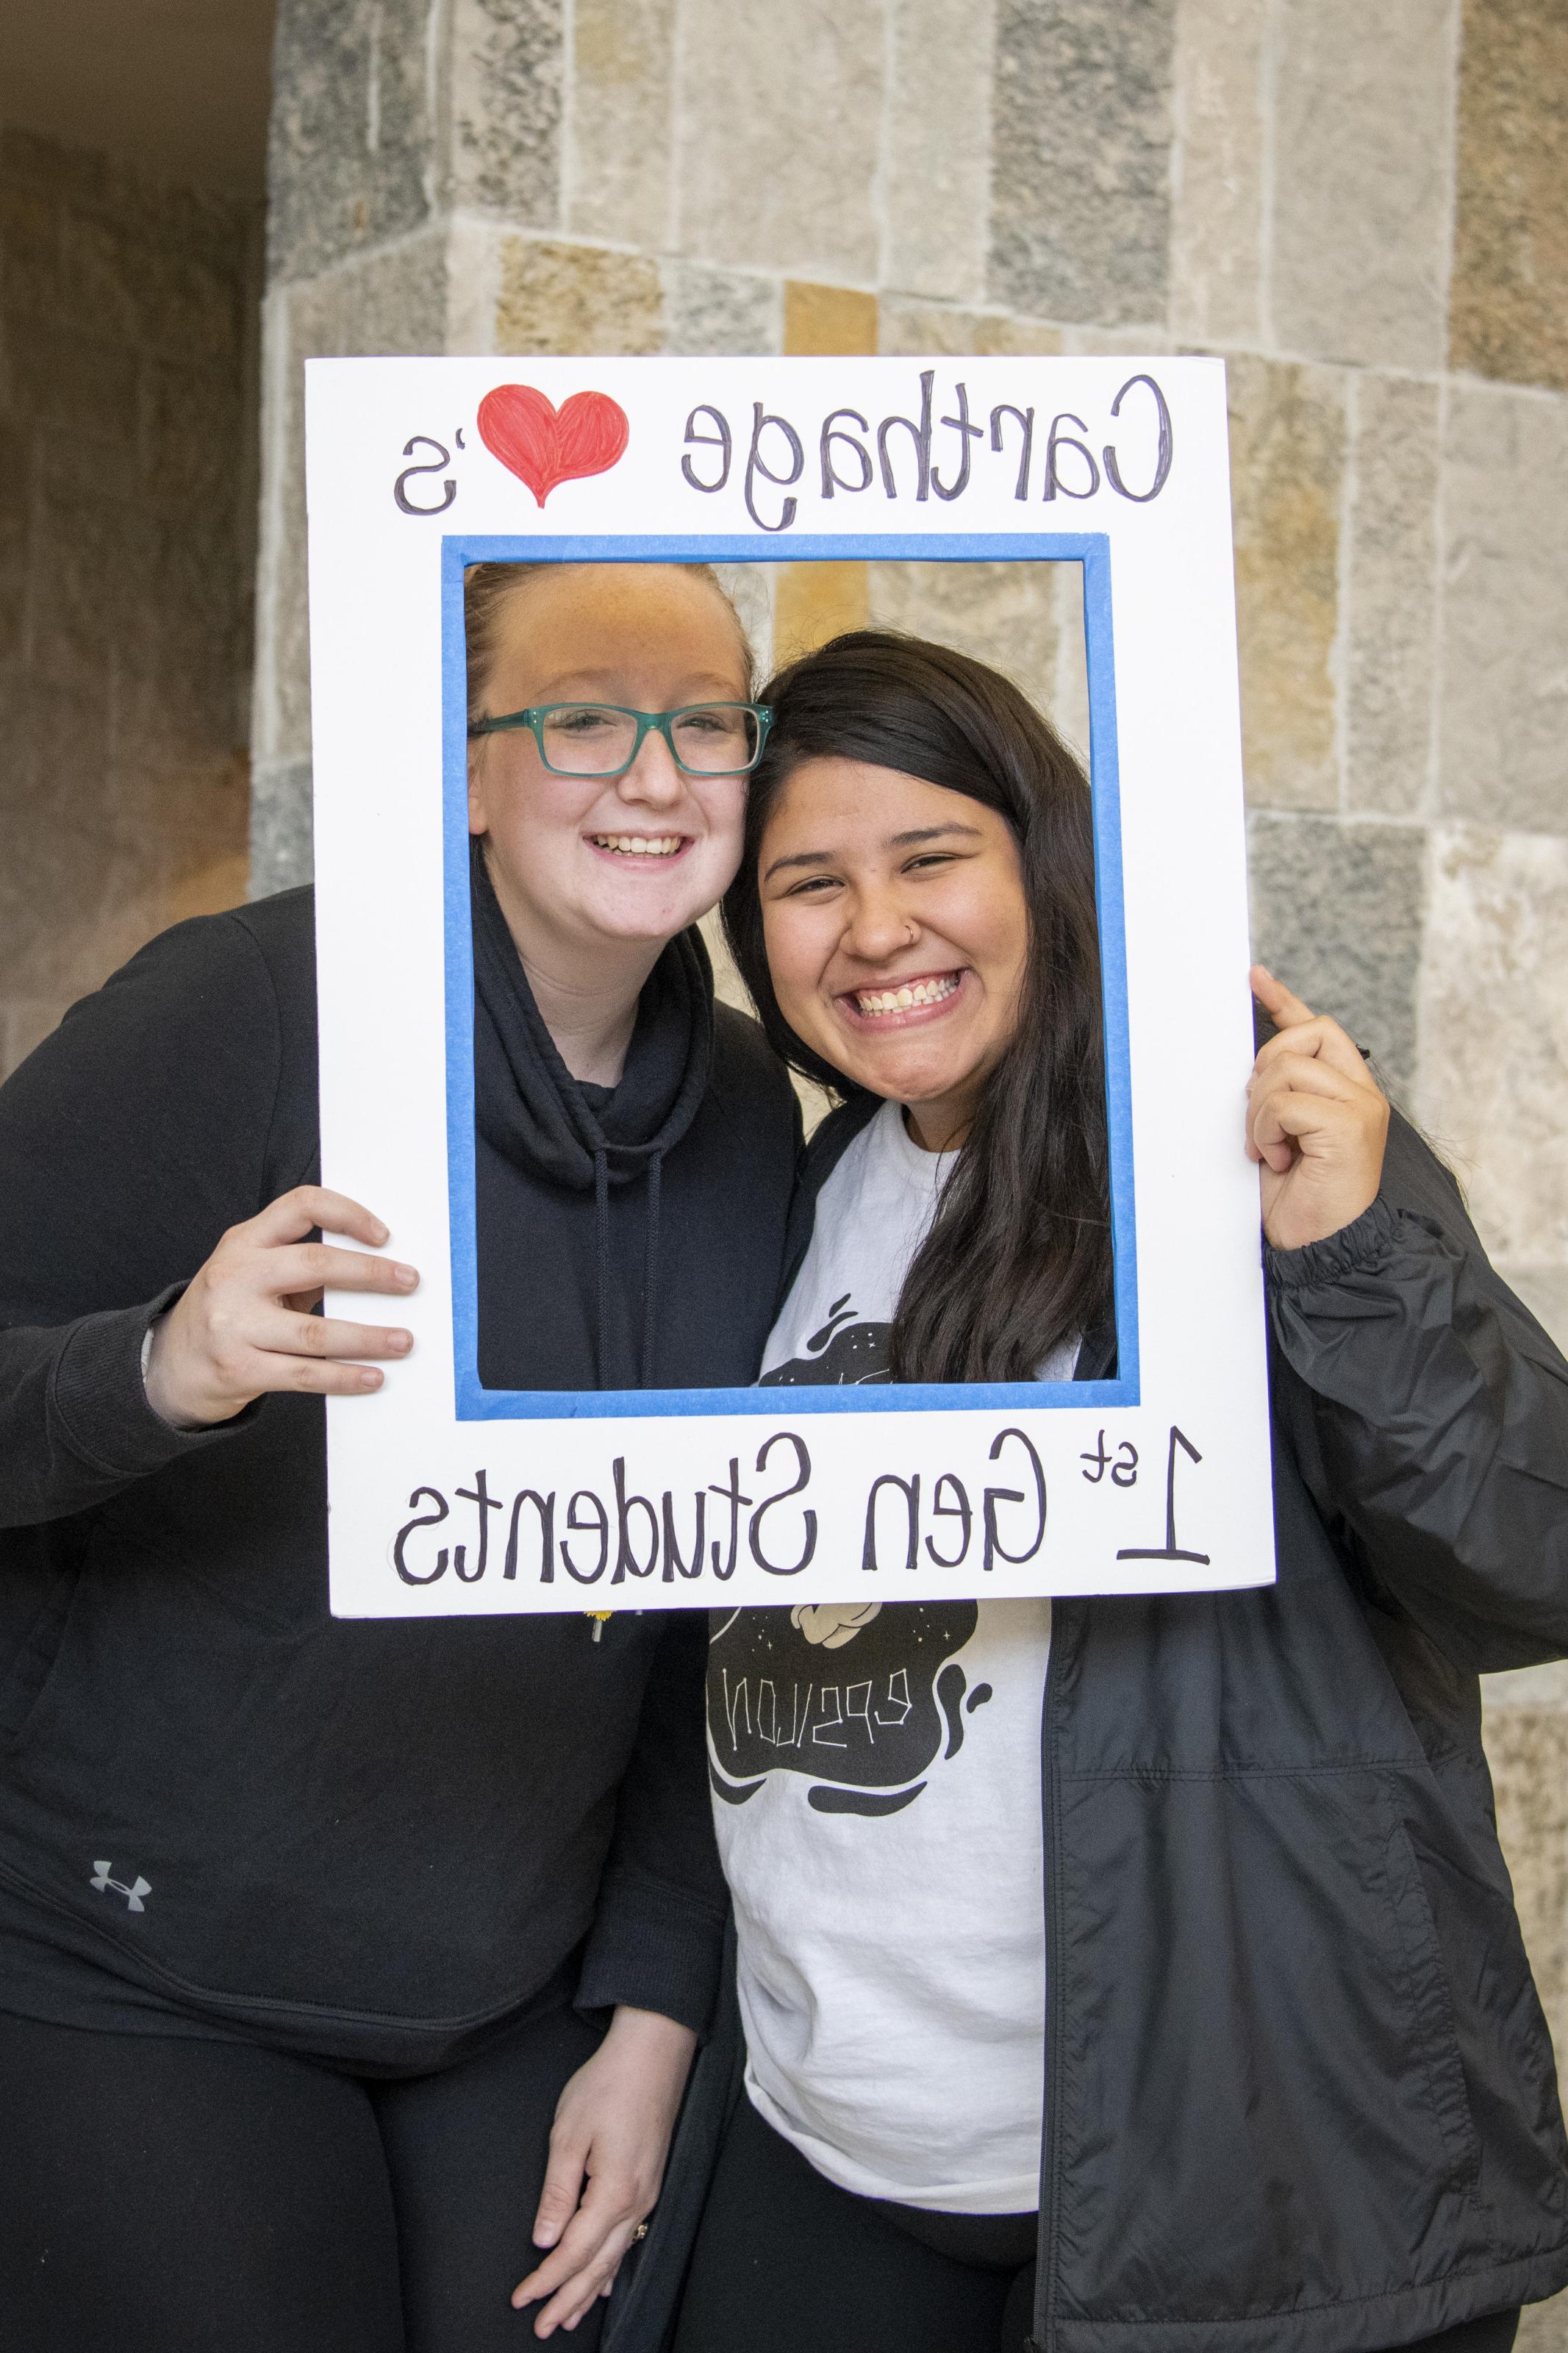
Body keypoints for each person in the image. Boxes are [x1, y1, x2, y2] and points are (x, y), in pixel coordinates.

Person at [670, 630, 1568, 2353]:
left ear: (1045, 865)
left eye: (929, 858)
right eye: (807, 883)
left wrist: (1353, 1252)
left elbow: (1530, 1563)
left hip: (1225, 2173)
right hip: (824, 2130)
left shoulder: (1242, 1140)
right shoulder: (810, 1183)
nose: (872, 930)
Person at [0, 560, 798, 2352]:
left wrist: (656, 2011)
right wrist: (157, 1365)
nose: (655, 777)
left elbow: (710, 1602)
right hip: (139, 1964)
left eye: (705, 724)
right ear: (462, 769)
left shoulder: (755, 1119)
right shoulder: (242, 1004)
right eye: (581, 718)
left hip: (498, 1984)